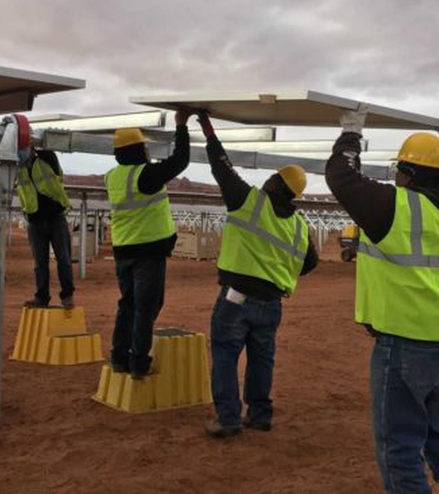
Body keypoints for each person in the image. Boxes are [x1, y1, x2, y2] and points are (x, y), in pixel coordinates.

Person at [325, 109, 439, 494]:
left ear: (407, 174)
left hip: (408, 349)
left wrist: (351, 134)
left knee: (399, 449)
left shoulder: (396, 206)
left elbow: (340, 175)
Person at [198, 112, 319, 438]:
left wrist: (204, 125)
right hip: (271, 301)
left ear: (276, 183)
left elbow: (220, 166)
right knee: (262, 357)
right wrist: (279, 268)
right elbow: (310, 263)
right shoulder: (298, 226)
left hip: (236, 297)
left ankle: (228, 419)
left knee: (225, 354)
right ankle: (260, 414)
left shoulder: (249, 200)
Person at [105, 110, 192, 379]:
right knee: (146, 307)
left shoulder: (113, 176)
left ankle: (119, 357)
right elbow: (180, 160)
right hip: (147, 253)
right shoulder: (144, 176)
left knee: (128, 304)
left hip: (124, 250)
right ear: (136, 149)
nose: (147, 150)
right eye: (143, 146)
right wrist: (181, 126)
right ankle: (139, 362)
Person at [16, 146, 75, 309]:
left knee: (63, 259)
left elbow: (48, 151)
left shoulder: (46, 160)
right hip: (35, 221)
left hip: (55, 218)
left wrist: (29, 141)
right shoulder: (17, 170)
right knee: (40, 262)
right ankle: (41, 297)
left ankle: (67, 296)